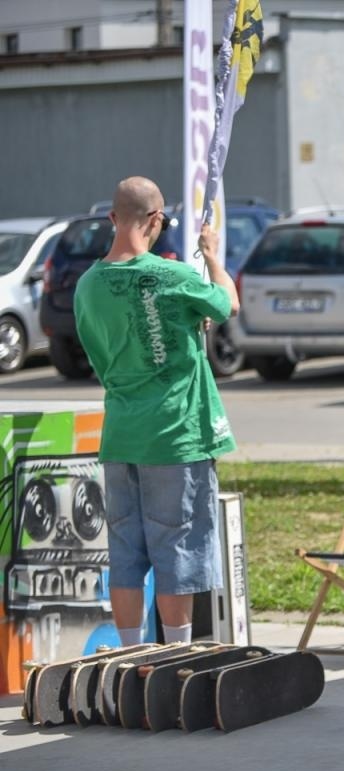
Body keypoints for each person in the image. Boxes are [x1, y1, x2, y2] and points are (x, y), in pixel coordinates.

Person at [73, 176, 240, 648]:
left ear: (111, 218)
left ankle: (130, 656)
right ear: (155, 220)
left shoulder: (87, 285)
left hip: (121, 432)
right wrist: (211, 255)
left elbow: (98, 355)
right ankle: (175, 656)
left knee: (125, 551)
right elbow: (228, 302)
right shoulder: (173, 276)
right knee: (177, 550)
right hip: (175, 435)